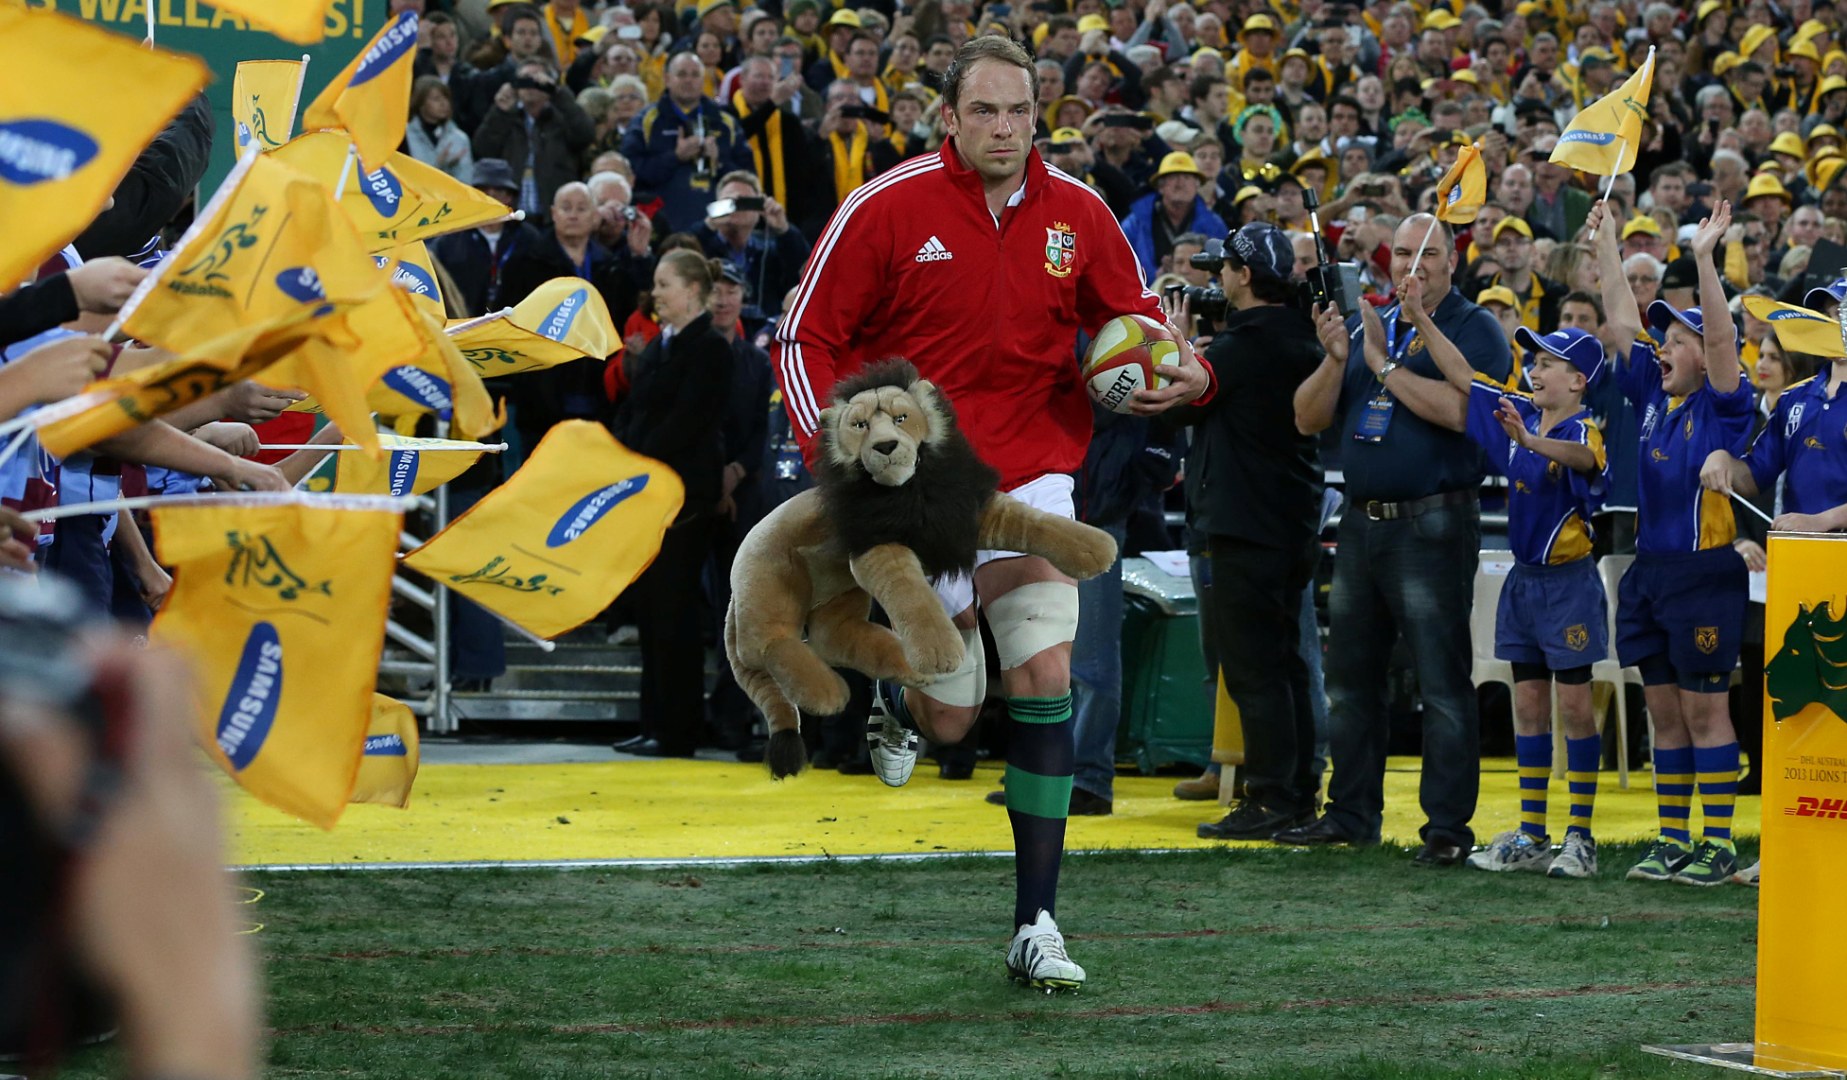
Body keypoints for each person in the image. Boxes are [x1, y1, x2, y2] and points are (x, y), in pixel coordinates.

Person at [774, 36, 1210, 991]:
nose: (1004, 129)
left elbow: (1138, 324)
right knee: (953, 719)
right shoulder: (882, 207)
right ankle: (904, 688)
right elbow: (807, 335)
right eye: (985, 112)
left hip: (1037, 481)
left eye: (1019, 112)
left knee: (1047, 662)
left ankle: (1036, 922)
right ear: (949, 117)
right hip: (922, 486)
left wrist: (1186, 373)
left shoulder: (1082, 213)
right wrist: (843, 454)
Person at [1288, 213, 1513, 865]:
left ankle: (1445, 830)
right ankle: (1351, 813)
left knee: (1441, 683)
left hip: (1433, 522)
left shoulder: (1475, 330)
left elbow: (1464, 412)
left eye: (1430, 254)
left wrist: (1384, 367)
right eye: (1406, 253)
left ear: (1452, 262)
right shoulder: (1368, 323)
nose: (1414, 266)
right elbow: (1306, 416)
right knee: (1349, 679)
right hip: (1361, 524)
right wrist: (1338, 360)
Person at [1590, 197, 1754, 886]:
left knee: (1702, 709)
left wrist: (1703, 260)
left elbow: (1719, 343)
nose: (1663, 347)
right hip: (1650, 573)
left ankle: (1716, 844)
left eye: (1675, 340)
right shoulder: (1655, 398)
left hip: (1702, 574)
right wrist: (1601, 242)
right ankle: (1671, 838)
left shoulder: (1723, 400)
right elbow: (1622, 319)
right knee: (1663, 712)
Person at [1419, 308, 1614, 877]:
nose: (1535, 369)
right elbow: (1461, 373)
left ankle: (1581, 835)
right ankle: (1532, 833)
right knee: (1527, 706)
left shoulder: (1581, 429)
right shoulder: (1517, 413)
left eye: (1549, 363)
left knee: (1576, 707)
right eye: (1533, 359)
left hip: (1570, 583)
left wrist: (1529, 439)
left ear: (1579, 381)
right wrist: (1420, 319)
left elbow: (1585, 460)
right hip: (1524, 581)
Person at [1178, 223, 1326, 840]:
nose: (1216, 281)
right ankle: (1296, 791)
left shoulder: (1240, 347)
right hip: (1291, 519)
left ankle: (1269, 797)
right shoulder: (1301, 336)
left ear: (1242, 276)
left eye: (1223, 271)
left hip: (1243, 523)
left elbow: (1183, 400)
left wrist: (1179, 344)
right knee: (1286, 662)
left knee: (1253, 670)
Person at [610, 251, 735, 758]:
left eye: (664, 285)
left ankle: (678, 729)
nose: (655, 293)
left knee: (675, 612)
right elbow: (636, 410)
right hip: (649, 495)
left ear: (691, 291)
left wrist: (635, 458)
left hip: (683, 498)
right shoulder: (665, 344)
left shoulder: (709, 348)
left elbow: (687, 424)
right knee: (652, 610)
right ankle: (654, 722)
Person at [471, 59, 596, 218]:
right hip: (512, 213)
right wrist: (499, 112)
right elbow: (482, 149)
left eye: (537, 79)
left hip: (553, 214)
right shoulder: (505, 117)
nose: (530, 85)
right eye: (524, 79)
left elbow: (585, 135)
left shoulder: (562, 117)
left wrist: (558, 94)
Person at [431, 159, 546, 317]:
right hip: (463, 328)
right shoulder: (449, 240)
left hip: (516, 329)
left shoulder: (529, 239)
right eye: (483, 193)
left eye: (498, 192)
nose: (490, 199)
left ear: (509, 198)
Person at [404, 76, 476, 184]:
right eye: (436, 99)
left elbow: (466, 182)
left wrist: (451, 167)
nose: (444, 104)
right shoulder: (405, 135)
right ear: (420, 103)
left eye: (446, 98)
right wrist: (438, 164)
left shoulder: (460, 138)